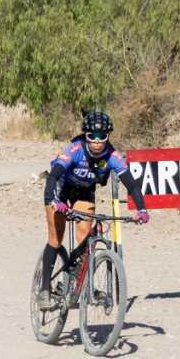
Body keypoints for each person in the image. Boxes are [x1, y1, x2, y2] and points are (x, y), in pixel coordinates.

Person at [36, 111, 149, 308]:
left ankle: (79, 282)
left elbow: (131, 185)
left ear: (108, 137)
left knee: (86, 240)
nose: (97, 142)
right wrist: (52, 200)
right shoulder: (74, 149)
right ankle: (44, 289)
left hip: (84, 192)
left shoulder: (112, 156)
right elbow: (53, 177)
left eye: (102, 137)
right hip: (60, 191)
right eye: (92, 137)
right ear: (85, 136)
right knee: (55, 239)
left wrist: (142, 209)